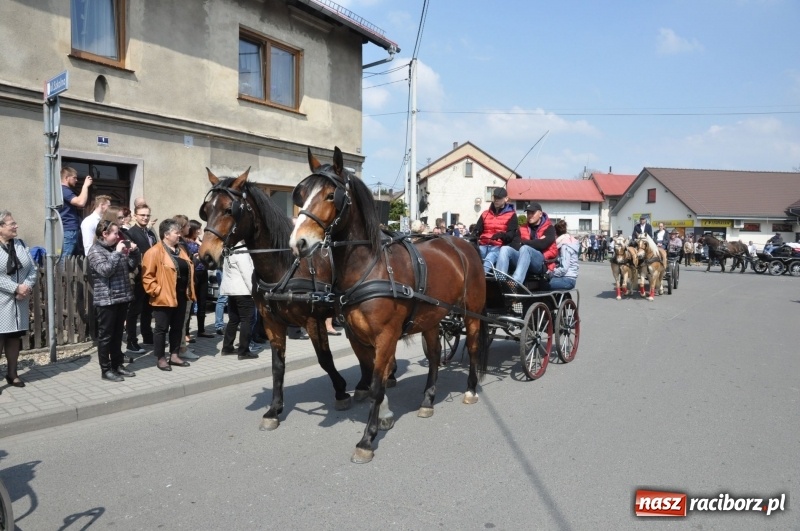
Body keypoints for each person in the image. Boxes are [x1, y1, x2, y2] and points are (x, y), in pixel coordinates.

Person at [142, 219, 196, 371]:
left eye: (179, 232)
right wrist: (157, 291)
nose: (179, 235)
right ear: (166, 235)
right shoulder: (154, 252)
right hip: (163, 297)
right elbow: (147, 276)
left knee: (178, 328)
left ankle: (174, 355)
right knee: (161, 328)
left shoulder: (181, 250)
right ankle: (160, 358)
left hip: (181, 296)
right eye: (176, 233)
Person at [87, 219, 137, 382]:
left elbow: (130, 266)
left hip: (122, 297)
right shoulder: (95, 251)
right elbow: (106, 270)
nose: (118, 236)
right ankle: (106, 369)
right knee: (106, 336)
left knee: (117, 335)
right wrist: (117, 252)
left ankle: (117, 364)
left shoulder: (116, 248)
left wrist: (134, 253)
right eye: (115, 233)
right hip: (106, 300)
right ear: (105, 234)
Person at [0, 210, 37, 392]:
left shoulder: (21, 244)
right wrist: (15, 287)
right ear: (0, 228)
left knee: (14, 339)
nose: (16, 226)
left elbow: (33, 269)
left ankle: (12, 374)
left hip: (19, 302)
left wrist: (26, 287)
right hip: (2, 301)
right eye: (11, 224)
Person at [496, 202, 557, 284]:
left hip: (542, 262)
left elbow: (543, 244)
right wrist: (535, 242)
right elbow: (515, 244)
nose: (530, 215)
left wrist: (524, 243)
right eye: (528, 213)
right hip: (523, 259)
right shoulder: (522, 228)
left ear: (540, 214)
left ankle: (515, 282)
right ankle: (501, 280)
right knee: (505, 249)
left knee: (525, 248)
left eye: (532, 213)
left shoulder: (550, 228)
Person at [125, 203, 158, 353]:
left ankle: (148, 336)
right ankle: (131, 341)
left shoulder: (150, 233)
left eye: (147, 215)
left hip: (152, 276)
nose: (145, 218)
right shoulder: (131, 233)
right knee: (134, 310)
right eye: (142, 215)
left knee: (148, 309)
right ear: (135, 216)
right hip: (139, 276)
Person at [219, 247, 260, 359]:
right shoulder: (242, 252)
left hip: (232, 290)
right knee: (247, 320)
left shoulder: (229, 251)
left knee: (234, 319)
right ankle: (244, 351)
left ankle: (227, 347)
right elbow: (247, 274)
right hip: (243, 291)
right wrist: (254, 292)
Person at [475, 187, 518, 273]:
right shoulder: (485, 214)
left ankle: (479, 279)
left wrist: (501, 235)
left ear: (506, 199)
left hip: (498, 247)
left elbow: (510, 235)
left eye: (499, 198)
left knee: (489, 258)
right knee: (470, 254)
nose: (496, 200)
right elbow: (477, 230)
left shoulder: (512, 215)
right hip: (483, 245)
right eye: (495, 198)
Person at [184, 220, 213, 339]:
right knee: (190, 303)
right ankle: (185, 332)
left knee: (202, 302)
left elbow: (208, 252)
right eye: (198, 229)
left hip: (203, 273)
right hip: (193, 274)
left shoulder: (198, 241)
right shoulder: (186, 243)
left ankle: (201, 330)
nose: (200, 232)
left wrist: (199, 242)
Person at [58, 167, 93, 260]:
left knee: (74, 258)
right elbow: (80, 202)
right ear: (66, 178)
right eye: (74, 177)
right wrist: (85, 186)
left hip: (71, 229)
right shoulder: (64, 190)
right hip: (69, 229)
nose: (76, 180)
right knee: (65, 258)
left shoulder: (64, 190)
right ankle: (60, 274)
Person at [546, 219, 579, 290]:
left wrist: (551, 273)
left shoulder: (565, 246)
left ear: (556, 234)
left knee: (544, 285)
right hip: (566, 277)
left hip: (568, 279)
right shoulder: (567, 242)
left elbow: (564, 268)